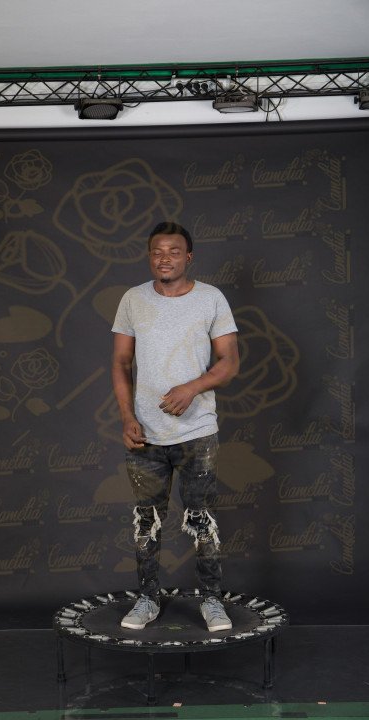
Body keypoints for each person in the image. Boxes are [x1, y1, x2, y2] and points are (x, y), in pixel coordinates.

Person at [111, 221, 240, 632]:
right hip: (145, 434)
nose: (165, 258)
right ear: (150, 256)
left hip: (197, 432)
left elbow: (230, 362)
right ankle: (147, 599)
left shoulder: (211, 299)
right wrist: (127, 417)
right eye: (157, 251)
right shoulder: (133, 299)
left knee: (202, 518)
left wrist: (192, 387)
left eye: (174, 251)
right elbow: (121, 363)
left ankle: (212, 601)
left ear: (189, 257)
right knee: (146, 520)